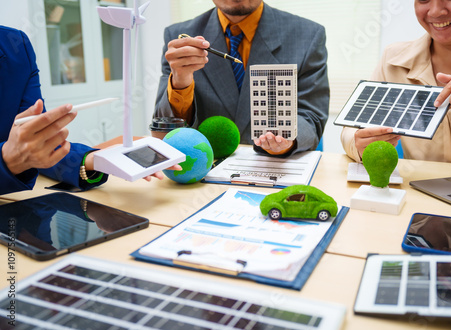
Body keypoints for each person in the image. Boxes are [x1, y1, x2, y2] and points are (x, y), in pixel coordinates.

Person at [0, 26, 165, 196]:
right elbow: (17, 151)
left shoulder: (17, 44)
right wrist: (6, 160)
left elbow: (37, 143)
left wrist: (94, 160)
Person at [153, 0, 329, 156]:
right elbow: (164, 129)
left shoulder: (308, 36)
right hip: (203, 170)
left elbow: (312, 116)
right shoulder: (179, 38)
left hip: (274, 167)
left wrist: (287, 140)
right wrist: (180, 82)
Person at [341, 0, 451, 166]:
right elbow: (352, 129)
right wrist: (357, 143)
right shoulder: (394, 60)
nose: (436, 12)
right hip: (416, 191)